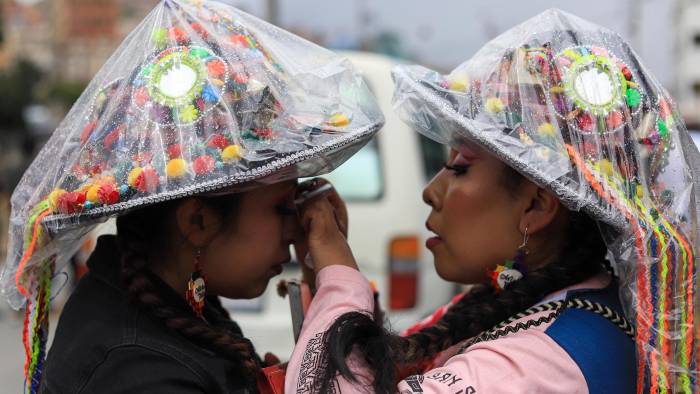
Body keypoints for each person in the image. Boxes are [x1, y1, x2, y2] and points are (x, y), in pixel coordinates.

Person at [285, 9, 699, 393]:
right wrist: (320, 273)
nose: (431, 192)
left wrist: (336, 267)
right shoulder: (538, 308)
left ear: (536, 207)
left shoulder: (547, 357)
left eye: (460, 168)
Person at [0, 1, 382, 392]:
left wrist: (319, 281)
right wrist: (339, 280)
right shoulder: (138, 372)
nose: (295, 226)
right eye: (283, 207)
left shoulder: (169, 306)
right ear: (197, 221)